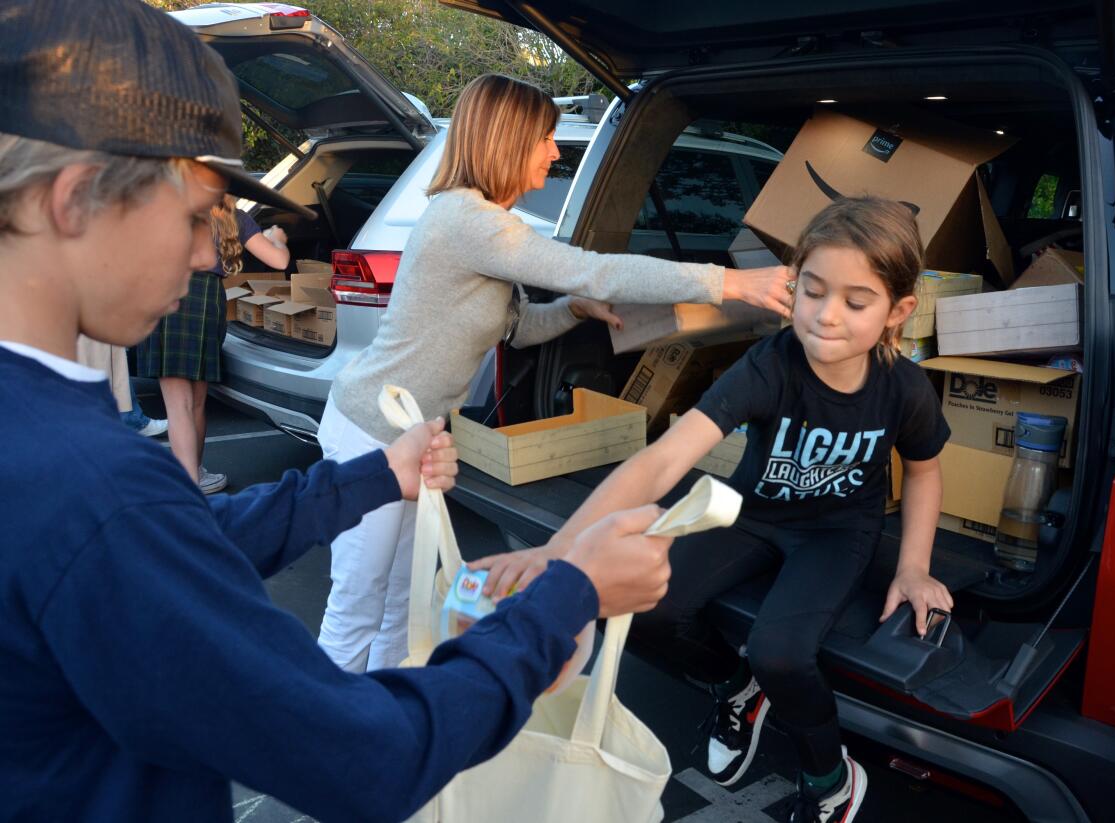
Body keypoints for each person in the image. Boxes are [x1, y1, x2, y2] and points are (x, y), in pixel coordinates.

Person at [0, 3, 675, 821]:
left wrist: (363, 481)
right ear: (74, 201)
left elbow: (182, 542)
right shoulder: (97, 487)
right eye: (191, 217)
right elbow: (366, 756)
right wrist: (567, 593)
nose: (209, 253)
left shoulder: (52, 451)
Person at [475, 197, 956, 822]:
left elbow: (923, 471)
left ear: (898, 311)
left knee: (780, 652)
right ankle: (735, 690)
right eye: (811, 291)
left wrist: (913, 567)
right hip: (752, 512)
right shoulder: (769, 364)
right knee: (644, 604)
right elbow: (663, 460)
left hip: (837, 531)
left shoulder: (903, 389)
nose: (826, 316)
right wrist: (558, 551)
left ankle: (832, 780)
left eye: (855, 302)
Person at [318, 72, 796, 673]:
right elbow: (592, 268)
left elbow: (516, 328)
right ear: (508, 140)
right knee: (357, 608)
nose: (554, 150)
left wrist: (572, 310)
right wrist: (731, 282)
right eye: (546, 137)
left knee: (400, 605)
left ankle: (380, 729)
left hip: (418, 439)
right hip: (370, 434)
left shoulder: (482, 222)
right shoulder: (468, 220)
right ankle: (315, 750)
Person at [136, 192, 290, 494]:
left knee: (177, 404)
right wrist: (278, 238)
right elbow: (279, 260)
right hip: (207, 300)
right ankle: (195, 473)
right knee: (195, 403)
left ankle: (188, 480)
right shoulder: (234, 217)